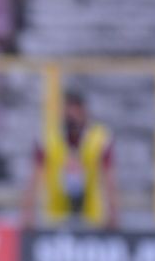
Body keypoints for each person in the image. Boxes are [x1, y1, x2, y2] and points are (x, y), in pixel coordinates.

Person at [22, 90, 119, 229]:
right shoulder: (48, 139)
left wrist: (113, 213)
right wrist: (28, 213)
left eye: (76, 111)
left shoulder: (100, 139)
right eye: (69, 111)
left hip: (92, 219)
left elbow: (109, 179)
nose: (72, 116)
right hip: (56, 218)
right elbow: (34, 178)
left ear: (84, 112)